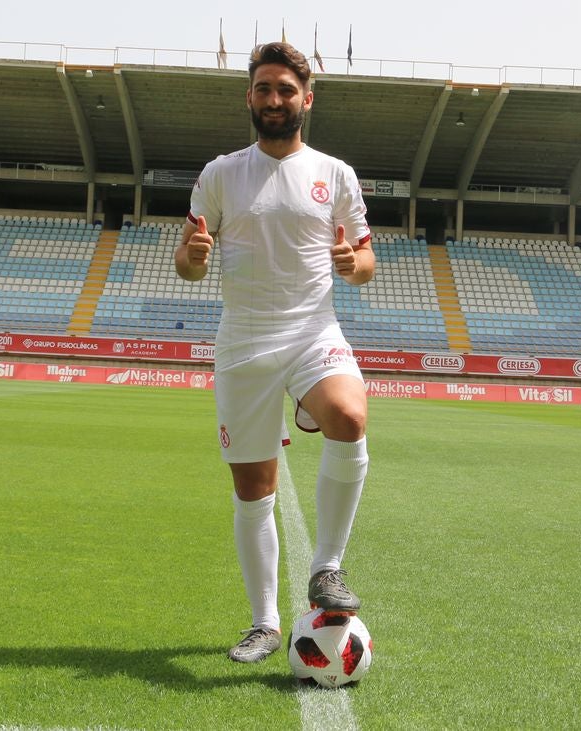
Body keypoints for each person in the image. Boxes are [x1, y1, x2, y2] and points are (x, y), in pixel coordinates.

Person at [175, 41, 376, 664]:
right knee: (253, 489)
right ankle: (263, 623)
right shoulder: (220, 173)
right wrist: (194, 258)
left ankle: (327, 568)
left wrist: (352, 263)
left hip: (313, 328)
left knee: (349, 415)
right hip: (244, 342)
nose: (273, 99)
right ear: (250, 97)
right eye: (263, 88)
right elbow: (185, 260)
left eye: (285, 90)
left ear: (305, 101)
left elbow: (367, 262)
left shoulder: (335, 173)